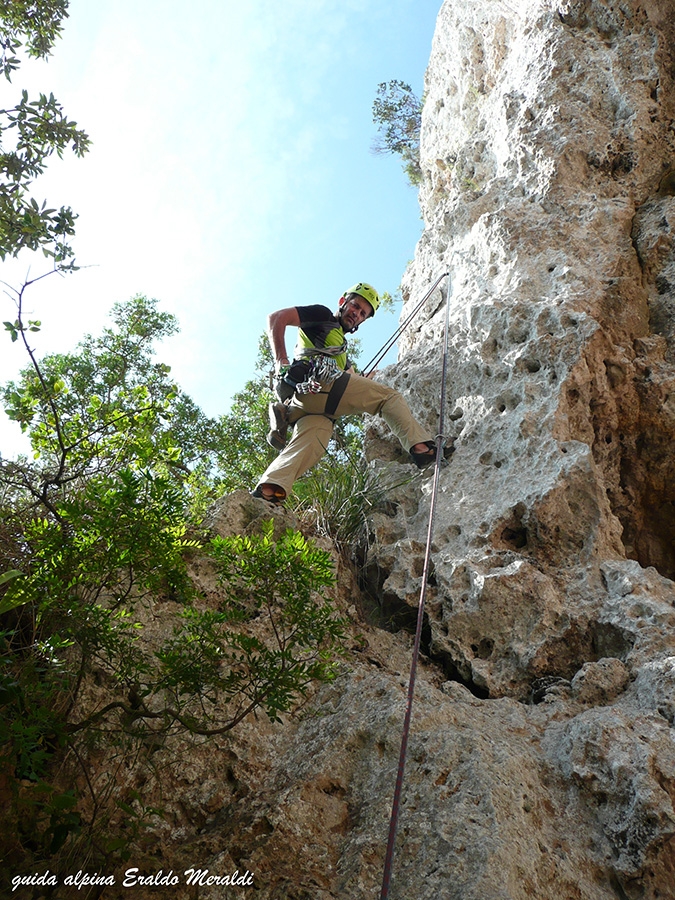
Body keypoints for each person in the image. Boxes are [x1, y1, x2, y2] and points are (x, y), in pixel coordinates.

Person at [250, 282, 437, 505]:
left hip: (313, 408)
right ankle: (422, 448)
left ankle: (269, 490)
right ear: (343, 302)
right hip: (315, 385)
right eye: (355, 306)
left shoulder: (342, 356)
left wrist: (378, 373)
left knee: (313, 443)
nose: (356, 314)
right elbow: (276, 318)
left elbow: (355, 382)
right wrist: (281, 361)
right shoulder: (322, 316)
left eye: (362, 314)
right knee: (388, 397)